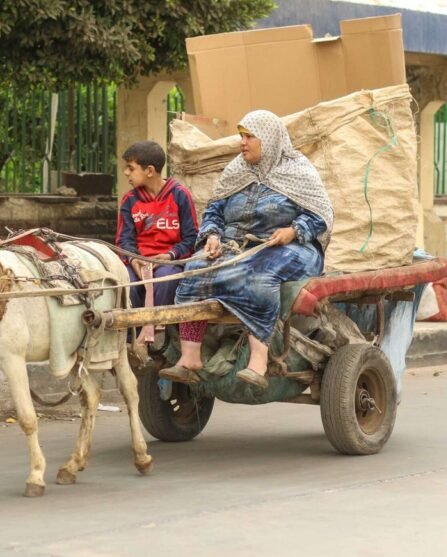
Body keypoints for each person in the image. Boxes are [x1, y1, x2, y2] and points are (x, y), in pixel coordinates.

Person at [160, 110, 334, 390]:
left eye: (249, 136)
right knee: (195, 268)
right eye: (241, 136)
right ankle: (190, 358)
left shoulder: (298, 171)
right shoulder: (236, 170)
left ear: (269, 139)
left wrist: (293, 230)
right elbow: (214, 210)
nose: (243, 142)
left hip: (290, 248)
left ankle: (259, 360)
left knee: (260, 276)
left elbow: (321, 215)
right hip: (237, 249)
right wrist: (213, 236)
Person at [116, 140, 199, 308]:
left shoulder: (180, 195)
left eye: (131, 168)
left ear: (150, 171)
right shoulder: (129, 200)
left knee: (164, 280)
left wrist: (170, 256)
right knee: (127, 283)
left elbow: (191, 239)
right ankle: (133, 332)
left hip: (169, 262)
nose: (126, 173)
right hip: (137, 262)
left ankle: (157, 330)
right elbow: (124, 241)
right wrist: (134, 260)